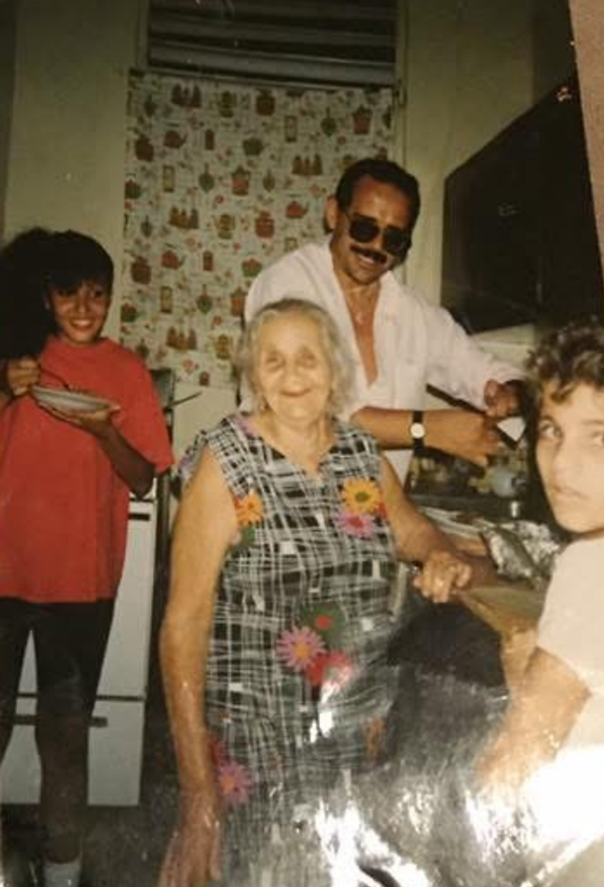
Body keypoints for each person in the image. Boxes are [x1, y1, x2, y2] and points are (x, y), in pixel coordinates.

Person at [159, 298, 494, 887]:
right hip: (257, 740)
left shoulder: (360, 454)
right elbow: (183, 624)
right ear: (253, 373)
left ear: (334, 370)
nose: (292, 377)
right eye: (274, 361)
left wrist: (437, 549)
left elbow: (406, 525)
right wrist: (196, 793)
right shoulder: (226, 462)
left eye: (307, 359)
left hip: (355, 734)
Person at [0, 228, 174, 887]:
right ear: (45, 296)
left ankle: (64, 868)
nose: (83, 306)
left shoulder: (127, 371)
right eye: (69, 292)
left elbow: (143, 479)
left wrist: (105, 429)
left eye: (97, 294)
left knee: (65, 736)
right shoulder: (17, 357)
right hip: (5, 572)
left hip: (82, 581)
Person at [424, 320, 604, 885]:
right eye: (552, 429)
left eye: (598, 435)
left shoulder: (590, 568)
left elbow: (506, 778)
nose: (562, 463)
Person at [245, 156, 523, 483]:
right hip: (279, 500)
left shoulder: (414, 314)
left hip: (373, 515)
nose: (375, 247)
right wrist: (427, 428)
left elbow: (486, 372)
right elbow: (311, 413)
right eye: (364, 227)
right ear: (334, 213)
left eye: (393, 239)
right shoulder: (288, 285)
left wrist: (510, 393)